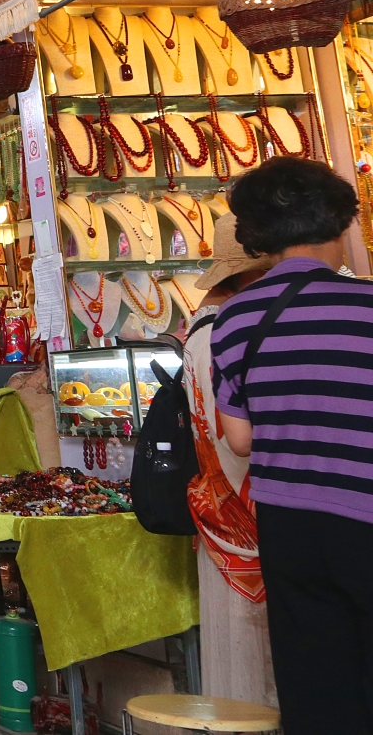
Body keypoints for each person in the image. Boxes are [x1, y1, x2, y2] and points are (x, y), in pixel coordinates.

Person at [212, 157, 373, 730]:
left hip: (290, 525)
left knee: (315, 684)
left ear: (255, 237)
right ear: (342, 222)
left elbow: (239, 440)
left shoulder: (234, 320)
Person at [181, 214, 277, 706]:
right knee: (265, 671)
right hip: (260, 517)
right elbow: (244, 439)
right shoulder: (239, 335)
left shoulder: (200, 335)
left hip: (218, 520)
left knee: (233, 666)